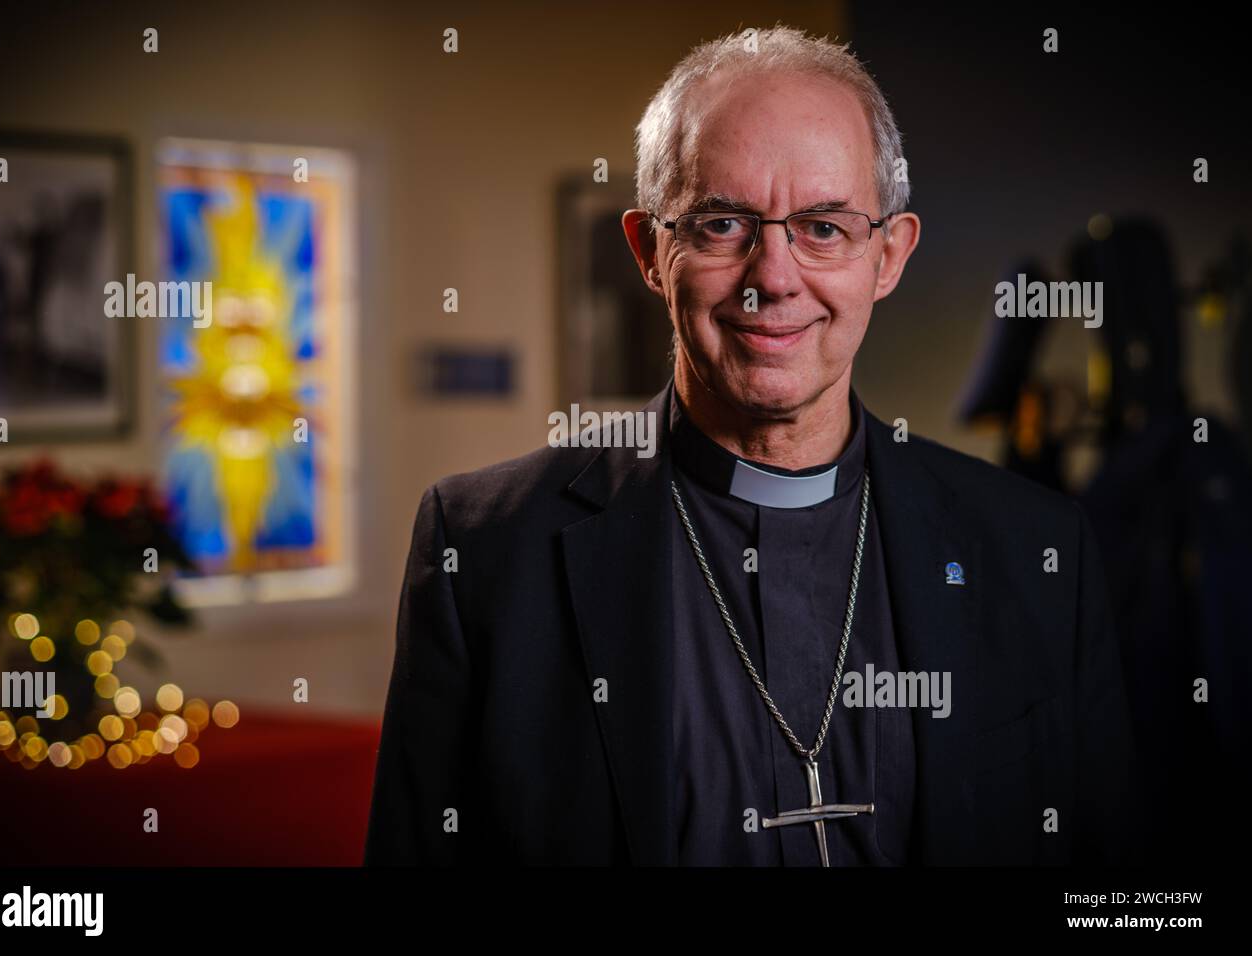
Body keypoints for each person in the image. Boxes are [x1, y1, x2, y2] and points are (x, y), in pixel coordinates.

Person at [364, 25, 1135, 866]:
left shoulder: (1035, 552)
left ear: (889, 255)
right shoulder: (481, 552)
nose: (774, 275)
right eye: (722, 223)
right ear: (650, 252)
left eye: (825, 227)